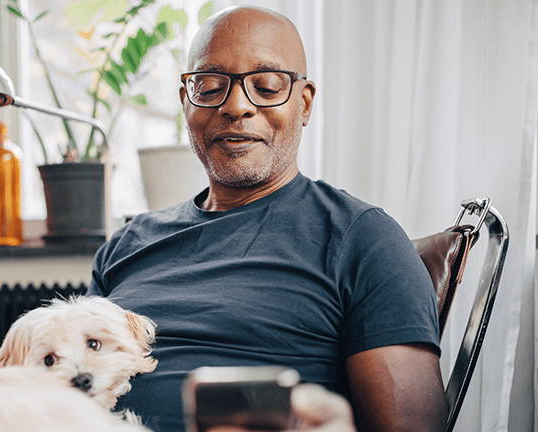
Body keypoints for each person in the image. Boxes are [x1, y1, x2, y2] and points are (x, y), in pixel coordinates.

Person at [87, 5, 447, 432]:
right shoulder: (125, 246)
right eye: (210, 85)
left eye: (267, 85)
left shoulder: (364, 240)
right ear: (187, 101)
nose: (236, 106)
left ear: (304, 103)